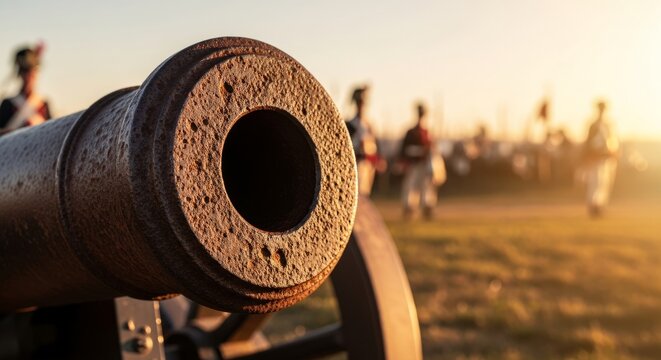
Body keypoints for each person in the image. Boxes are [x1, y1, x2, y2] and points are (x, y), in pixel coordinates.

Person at [399, 102, 443, 219]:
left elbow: (433, 149)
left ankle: (427, 209)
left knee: (427, 188)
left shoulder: (427, 132)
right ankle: (409, 209)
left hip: (425, 165)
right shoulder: (411, 132)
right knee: (411, 187)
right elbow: (404, 150)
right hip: (413, 164)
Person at [0, 43, 51, 135]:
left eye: (32, 72)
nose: (29, 76)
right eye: (25, 71)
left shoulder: (44, 105)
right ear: (20, 74)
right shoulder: (8, 104)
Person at [581, 100, 619, 217]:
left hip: (607, 158)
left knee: (604, 182)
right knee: (595, 182)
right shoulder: (594, 125)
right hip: (595, 157)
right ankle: (593, 206)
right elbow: (589, 142)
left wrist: (614, 153)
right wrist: (589, 155)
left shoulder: (608, 124)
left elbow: (613, 141)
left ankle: (600, 206)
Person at [345, 85, 385, 196]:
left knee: (365, 191)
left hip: (368, 162)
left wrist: (378, 159)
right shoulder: (350, 124)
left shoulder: (369, 124)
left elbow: (375, 144)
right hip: (357, 161)